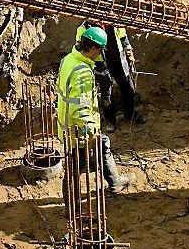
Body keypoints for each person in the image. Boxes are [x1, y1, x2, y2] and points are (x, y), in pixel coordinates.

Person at [57, 27, 132, 194]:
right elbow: (80, 109)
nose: (100, 55)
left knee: (102, 146)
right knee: (77, 166)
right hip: (80, 130)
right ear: (92, 48)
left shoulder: (68, 60)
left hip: (69, 125)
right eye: (99, 51)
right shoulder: (82, 72)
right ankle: (73, 205)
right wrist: (91, 131)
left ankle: (114, 182)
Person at [75, 21, 144, 131]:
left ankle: (131, 114)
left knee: (127, 86)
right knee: (106, 92)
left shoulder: (113, 20)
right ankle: (110, 120)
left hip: (118, 60)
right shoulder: (84, 28)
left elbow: (122, 35)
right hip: (100, 63)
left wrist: (128, 50)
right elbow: (81, 50)